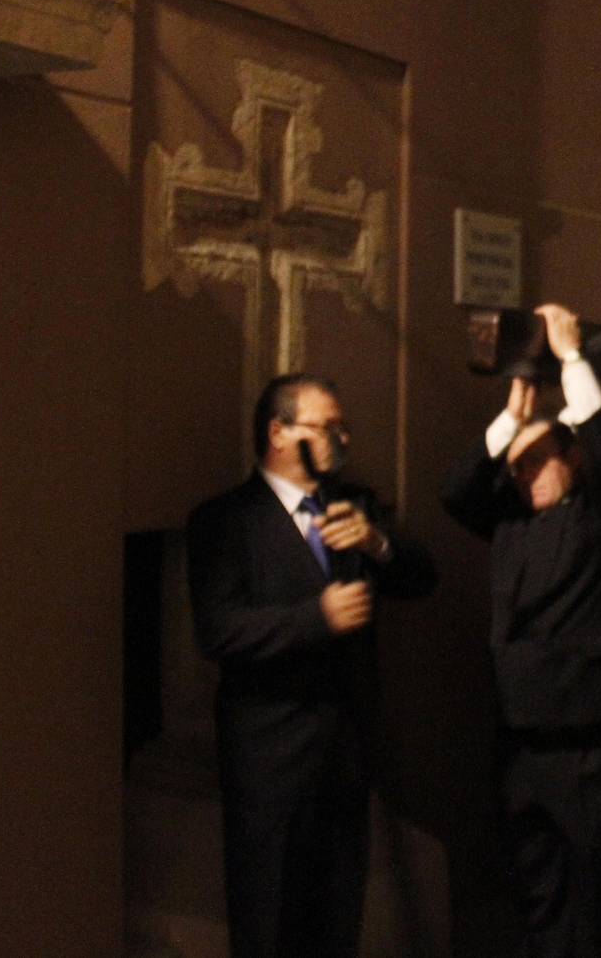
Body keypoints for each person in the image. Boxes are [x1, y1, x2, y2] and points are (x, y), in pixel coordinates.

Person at [186, 373, 435, 958]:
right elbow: (218, 629)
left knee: (336, 924)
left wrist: (377, 543)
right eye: (327, 427)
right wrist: (315, 617)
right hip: (270, 763)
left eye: (343, 428)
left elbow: (423, 577)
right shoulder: (225, 521)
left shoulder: (355, 505)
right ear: (279, 432)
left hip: (347, 756)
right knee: (270, 926)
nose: (341, 439)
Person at [440, 304, 601, 958]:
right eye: (516, 467)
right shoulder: (512, 521)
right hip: (519, 738)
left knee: (597, 889)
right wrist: (511, 419)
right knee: (536, 880)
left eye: (536, 463)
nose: (522, 477)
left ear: (572, 460)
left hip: (582, 741)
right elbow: (455, 490)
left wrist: (573, 357)